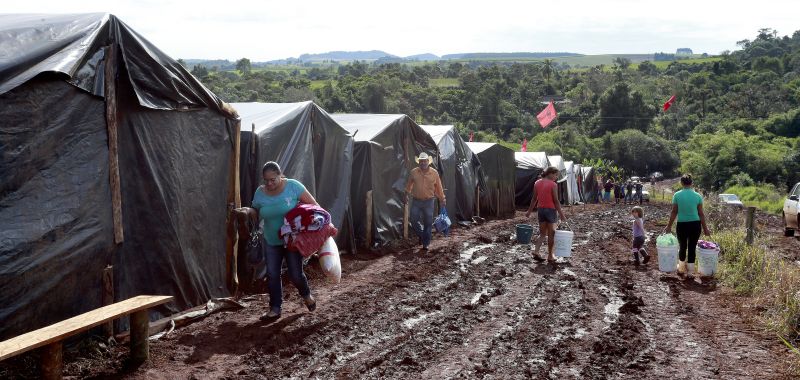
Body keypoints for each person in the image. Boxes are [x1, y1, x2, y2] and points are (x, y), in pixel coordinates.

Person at [252, 162, 319, 321]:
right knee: (273, 274)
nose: (269, 183)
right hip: (271, 239)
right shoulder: (260, 193)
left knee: (296, 274)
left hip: (292, 241)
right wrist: (248, 213)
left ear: (281, 176)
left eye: (273, 179)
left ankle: (307, 295)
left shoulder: (293, 187)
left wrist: (322, 226)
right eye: (266, 180)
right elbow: (255, 211)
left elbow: (314, 206)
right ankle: (275, 308)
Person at [664, 174, 711, 279]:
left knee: (683, 246)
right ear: (692, 183)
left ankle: (681, 268)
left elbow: (674, 212)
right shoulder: (698, 196)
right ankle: (690, 272)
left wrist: (669, 226)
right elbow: (701, 214)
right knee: (692, 247)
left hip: (682, 224)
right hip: (695, 224)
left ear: (681, 183)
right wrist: (705, 229)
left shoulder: (677, 195)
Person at [405, 152, 445, 251]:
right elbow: (409, 185)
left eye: (425, 161)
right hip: (416, 201)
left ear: (428, 162)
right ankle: (423, 236)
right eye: (421, 161)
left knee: (428, 223)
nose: (423, 163)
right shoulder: (414, 172)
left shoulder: (434, 173)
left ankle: (425, 244)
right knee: (413, 220)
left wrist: (442, 199)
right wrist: (405, 195)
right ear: (419, 162)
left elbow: (439, 188)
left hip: (429, 201)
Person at [526, 167, 567, 264]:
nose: (556, 177)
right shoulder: (553, 185)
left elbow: (534, 199)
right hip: (551, 210)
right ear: (550, 173)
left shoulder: (537, 183)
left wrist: (529, 211)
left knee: (542, 233)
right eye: (556, 175)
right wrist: (561, 214)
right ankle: (550, 256)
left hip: (541, 210)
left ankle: (536, 251)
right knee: (551, 234)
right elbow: (556, 201)